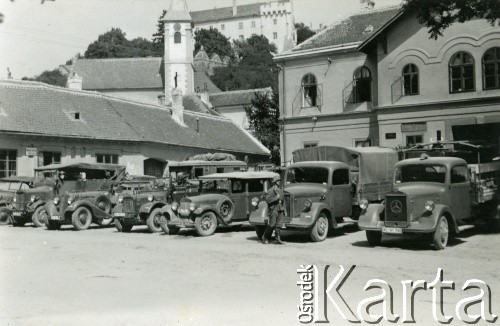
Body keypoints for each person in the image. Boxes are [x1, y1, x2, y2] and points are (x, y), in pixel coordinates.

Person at [262, 175, 285, 245]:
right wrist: (276, 197)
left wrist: (284, 210)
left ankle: (277, 239)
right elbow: (267, 200)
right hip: (273, 209)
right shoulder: (271, 190)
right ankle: (265, 237)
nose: (279, 182)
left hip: (280, 209)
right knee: (272, 225)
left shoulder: (280, 190)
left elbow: (283, 200)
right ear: (274, 182)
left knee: (279, 225)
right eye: (277, 181)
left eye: (279, 181)